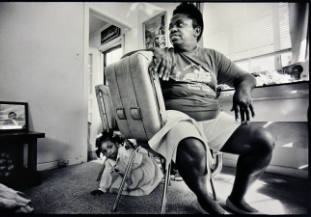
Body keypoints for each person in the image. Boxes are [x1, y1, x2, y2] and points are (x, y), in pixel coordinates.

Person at [128, 2, 274, 214]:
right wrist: (153, 51)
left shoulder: (213, 57)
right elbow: (129, 62)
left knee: (263, 141)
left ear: (196, 30)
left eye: (179, 24)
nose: (172, 30)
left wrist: (243, 90)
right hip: (176, 119)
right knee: (194, 146)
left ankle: (236, 199)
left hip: (212, 119)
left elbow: (246, 77)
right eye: (170, 27)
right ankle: (206, 200)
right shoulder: (163, 55)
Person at [91, 133, 163, 197]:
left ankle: (143, 185)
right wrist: (102, 188)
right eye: (105, 151)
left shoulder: (123, 151)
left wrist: (127, 175)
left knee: (131, 182)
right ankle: (130, 186)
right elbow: (107, 173)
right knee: (114, 188)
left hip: (142, 167)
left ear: (116, 144)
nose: (109, 151)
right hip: (128, 172)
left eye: (110, 147)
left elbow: (138, 160)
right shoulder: (109, 160)